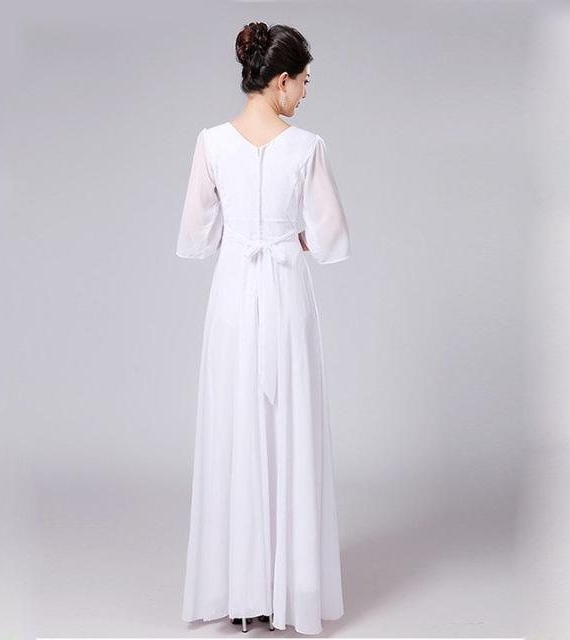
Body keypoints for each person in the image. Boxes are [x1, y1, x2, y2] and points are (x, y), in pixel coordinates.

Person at [176, 21, 351, 636]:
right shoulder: (307, 147)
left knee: (236, 427)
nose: (304, 92)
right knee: (288, 427)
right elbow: (330, 237)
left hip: (232, 295)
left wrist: (240, 233)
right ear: (280, 81)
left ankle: (240, 589)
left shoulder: (210, 143)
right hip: (284, 295)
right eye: (303, 82)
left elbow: (196, 237)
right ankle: (289, 588)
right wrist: (293, 236)